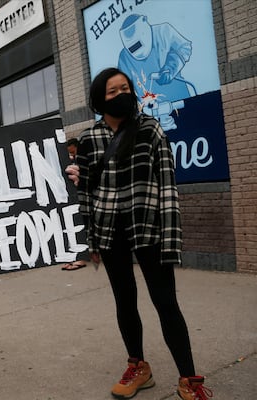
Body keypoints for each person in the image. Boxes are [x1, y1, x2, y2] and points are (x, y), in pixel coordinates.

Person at [75, 67, 212, 400]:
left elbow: (167, 184)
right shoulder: (90, 139)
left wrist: (170, 238)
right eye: (112, 91)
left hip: (148, 227)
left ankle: (188, 380)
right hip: (110, 232)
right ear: (98, 98)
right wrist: (90, 241)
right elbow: (88, 194)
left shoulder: (151, 130)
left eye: (125, 88)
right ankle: (138, 366)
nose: (121, 94)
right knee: (125, 301)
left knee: (166, 302)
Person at [61, 138, 87, 271]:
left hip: (82, 200)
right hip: (75, 200)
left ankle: (80, 258)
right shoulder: (73, 160)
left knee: (78, 228)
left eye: (72, 152)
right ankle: (73, 257)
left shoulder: (83, 158)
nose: (71, 155)